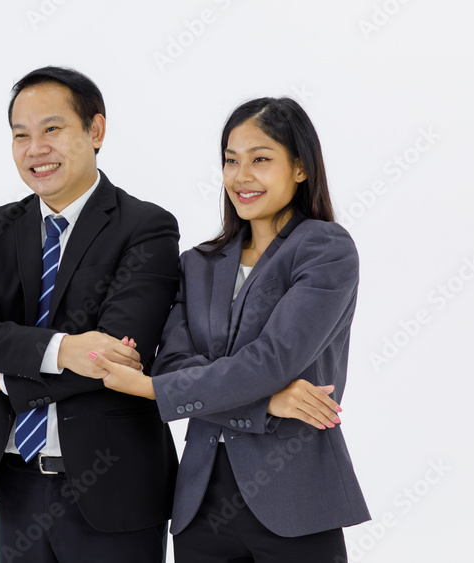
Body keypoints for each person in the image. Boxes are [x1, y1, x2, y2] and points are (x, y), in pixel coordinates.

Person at [85, 97, 371, 562]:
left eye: (260, 159)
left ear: (300, 168)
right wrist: (268, 402)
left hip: (295, 498)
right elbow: (176, 362)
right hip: (201, 503)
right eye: (231, 161)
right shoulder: (198, 264)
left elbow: (272, 360)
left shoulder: (325, 248)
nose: (241, 176)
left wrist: (152, 389)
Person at [0, 66, 181, 563]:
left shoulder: (146, 227)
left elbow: (117, 358)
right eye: (20, 135)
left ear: (95, 131)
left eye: (52, 129)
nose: (35, 149)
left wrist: (2, 381)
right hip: (16, 481)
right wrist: (62, 348)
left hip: (114, 489)